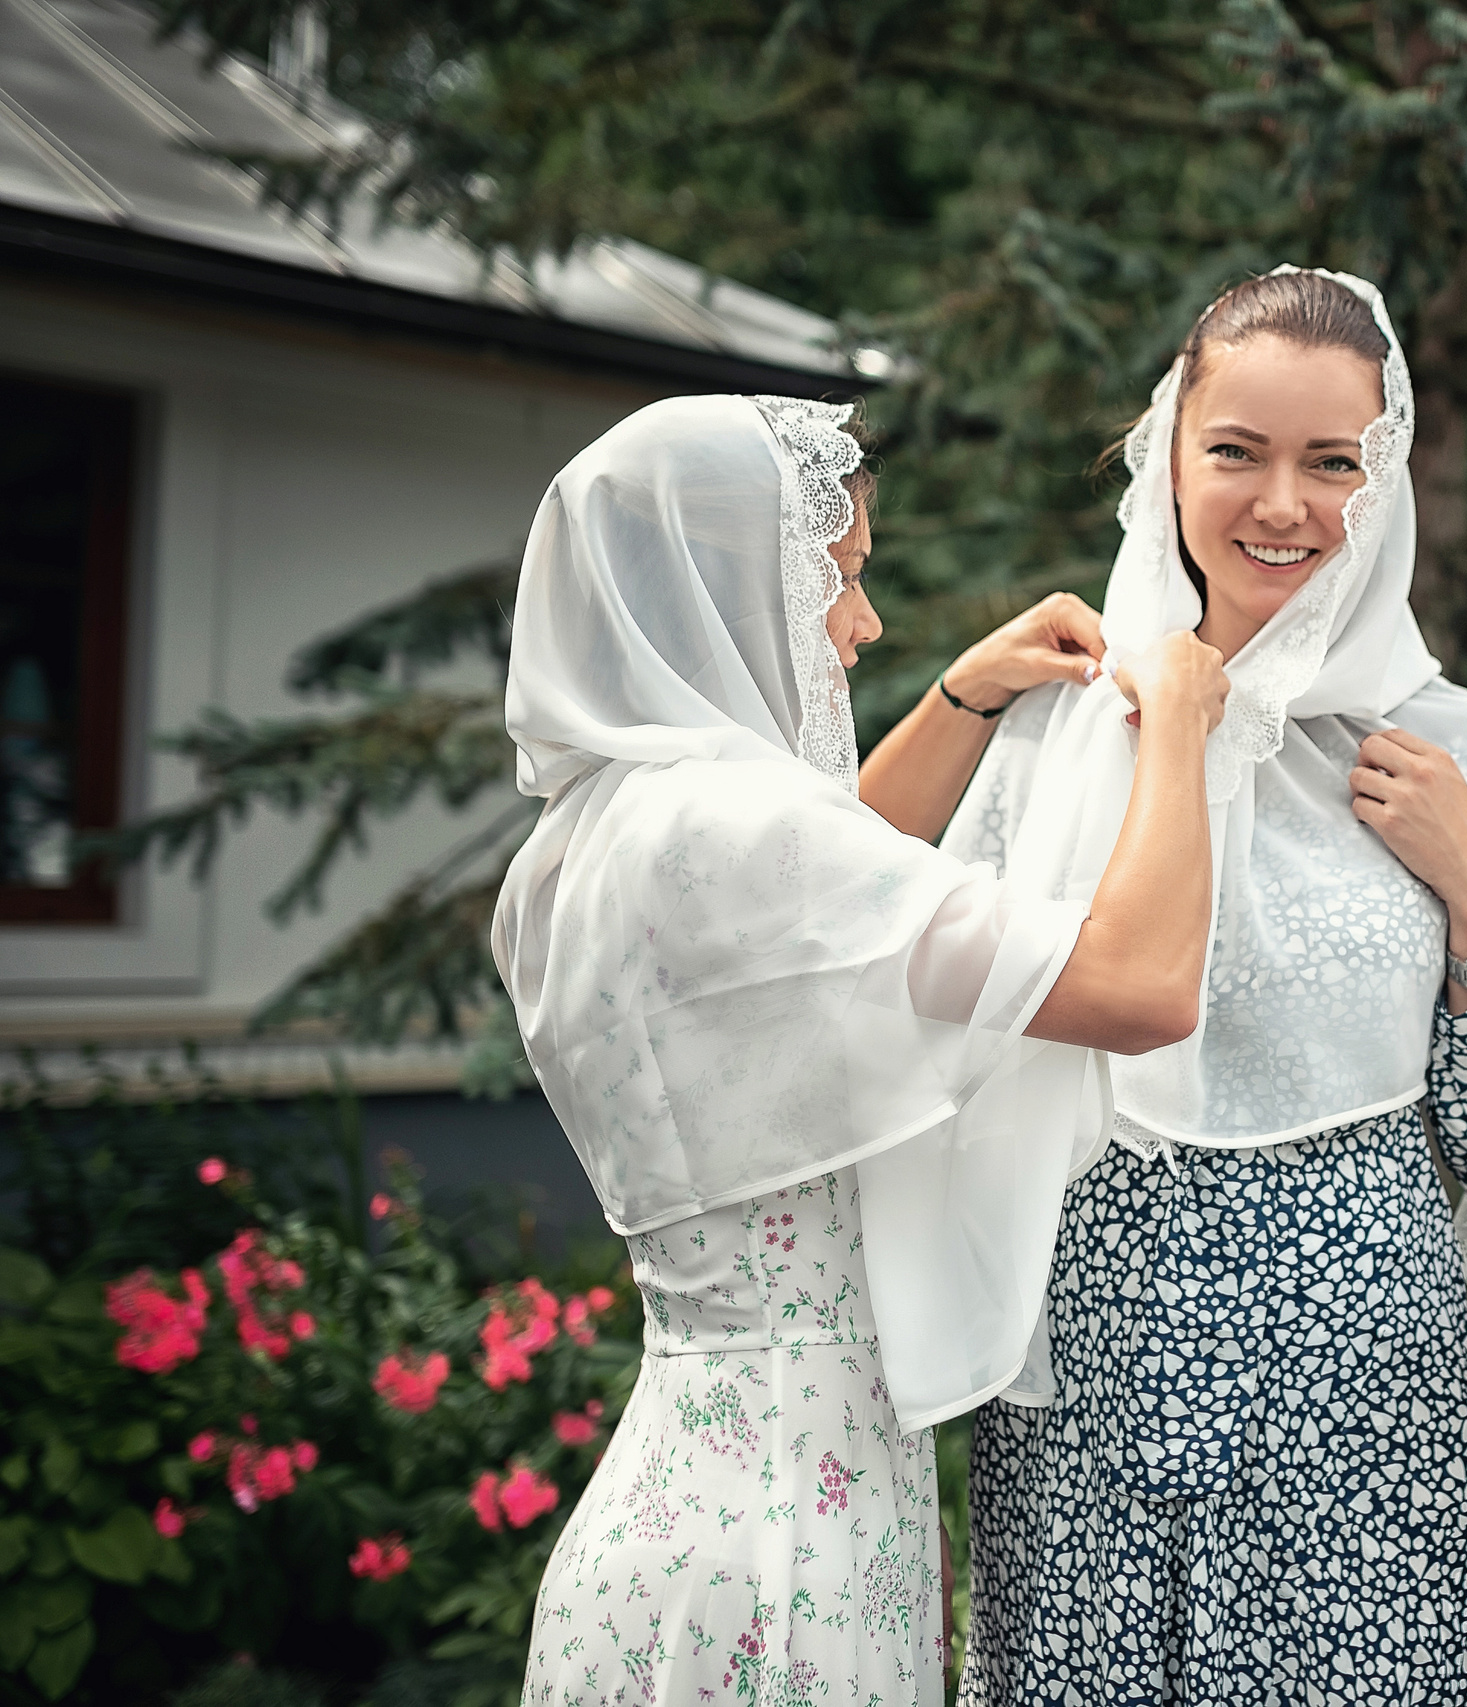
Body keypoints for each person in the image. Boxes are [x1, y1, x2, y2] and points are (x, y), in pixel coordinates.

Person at [854, 268, 1467, 1703]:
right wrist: (966, 697)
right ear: (1169, 459)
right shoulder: (1059, 735)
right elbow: (864, 965)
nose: (1284, 503)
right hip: (1092, 1417)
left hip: (1362, 1426)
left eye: (1335, 461)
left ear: (1385, 481)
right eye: (1238, 452)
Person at [491, 393, 1231, 1706]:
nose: (863, 623)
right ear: (727, 589)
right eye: (838, 578)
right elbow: (1140, 981)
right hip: (793, 1547)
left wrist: (964, 695)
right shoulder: (733, 829)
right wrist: (1177, 712)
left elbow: (825, 906)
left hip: (670, 1516)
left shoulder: (578, 850)